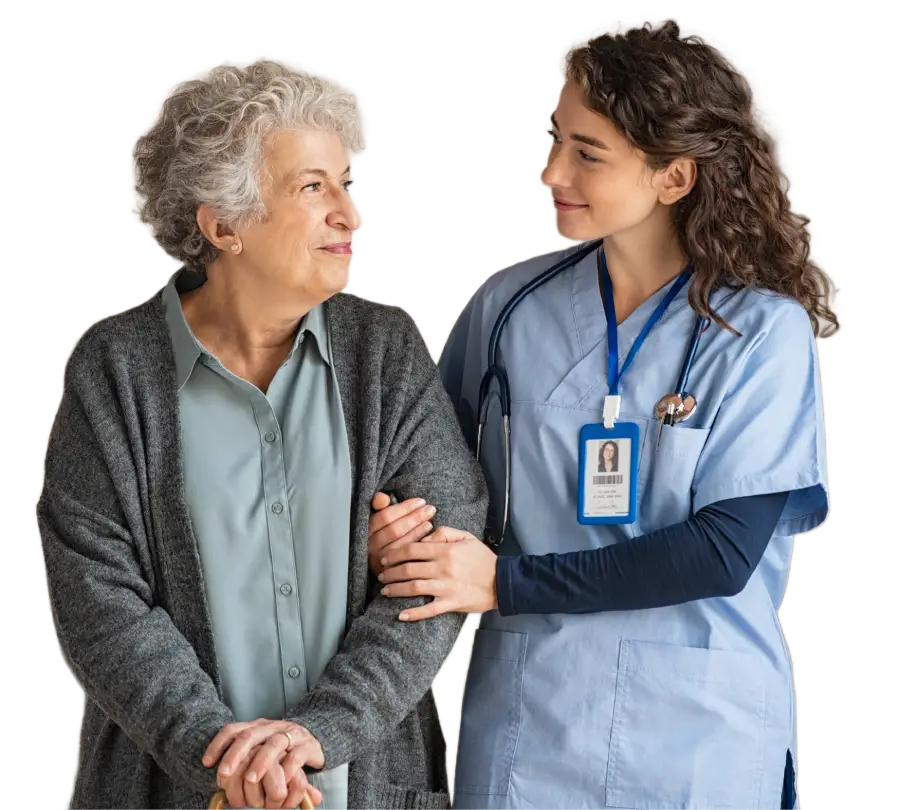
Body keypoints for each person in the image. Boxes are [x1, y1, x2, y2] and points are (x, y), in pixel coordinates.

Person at [366, 15, 837, 810]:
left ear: (673, 177)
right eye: (555, 140)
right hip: (531, 724)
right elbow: (428, 480)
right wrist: (401, 533)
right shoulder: (508, 309)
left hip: (699, 739)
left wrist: (503, 582)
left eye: (588, 153)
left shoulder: (760, 332)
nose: (552, 172)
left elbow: (721, 552)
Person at [35, 54, 487, 810]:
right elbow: (98, 602)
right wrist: (223, 757)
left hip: (365, 788)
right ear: (222, 224)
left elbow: (437, 572)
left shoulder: (384, 352)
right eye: (313, 187)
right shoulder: (115, 369)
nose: (351, 214)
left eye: (347, 182)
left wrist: (319, 733)